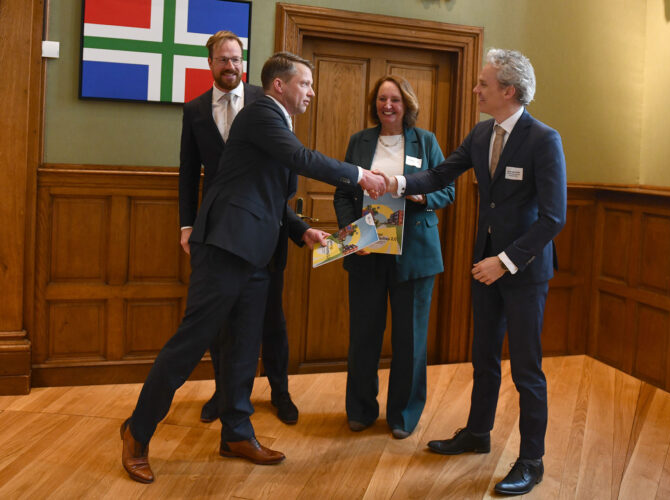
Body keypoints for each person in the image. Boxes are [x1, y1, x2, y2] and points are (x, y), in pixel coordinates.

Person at [120, 51, 386, 484]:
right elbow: (304, 160)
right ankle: (137, 431)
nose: (311, 92)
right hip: (225, 247)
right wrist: (360, 176)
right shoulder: (262, 111)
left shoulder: (275, 120)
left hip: (257, 253)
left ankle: (237, 434)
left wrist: (302, 232)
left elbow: (267, 195)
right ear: (278, 85)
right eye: (305, 83)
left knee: (244, 348)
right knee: (189, 346)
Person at [380, 48, 566, 496]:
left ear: (509, 90)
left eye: (483, 84)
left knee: (526, 370)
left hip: (519, 271)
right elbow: (441, 174)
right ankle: (478, 433)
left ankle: (531, 460)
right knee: (482, 358)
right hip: (484, 267)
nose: (476, 89)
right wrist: (396, 184)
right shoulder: (482, 134)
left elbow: (553, 218)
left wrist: (505, 262)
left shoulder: (544, 139)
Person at [179, 30, 304, 426]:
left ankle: (280, 393)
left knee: (271, 318)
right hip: (219, 233)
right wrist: (187, 224)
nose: (231, 66)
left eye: (237, 59)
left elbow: (289, 160)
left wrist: (292, 222)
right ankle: (226, 395)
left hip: (266, 226)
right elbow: (188, 174)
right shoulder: (195, 111)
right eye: (223, 60)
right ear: (210, 64)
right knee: (221, 322)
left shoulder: (266, 102)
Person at [333, 76, 454, 439]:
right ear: (375, 104)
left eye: (395, 100)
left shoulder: (426, 141)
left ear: (407, 105)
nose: (388, 106)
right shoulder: (359, 141)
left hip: (415, 254)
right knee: (363, 337)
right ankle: (360, 410)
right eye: (382, 99)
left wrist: (419, 196)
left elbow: (447, 190)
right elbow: (342, 193)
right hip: (368, 249)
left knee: (410, 340)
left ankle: (403, 415)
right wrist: (352, 233)